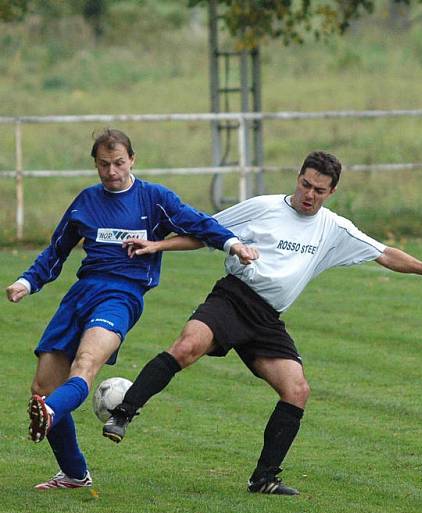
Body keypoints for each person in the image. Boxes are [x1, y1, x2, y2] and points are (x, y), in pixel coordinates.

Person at [101, 151, 422, 495]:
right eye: (305, 184)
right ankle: (123, 413)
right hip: (232, 299)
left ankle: (264, 478)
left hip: (267, 319)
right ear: (297, 177)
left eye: (319, 190)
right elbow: (207, 232)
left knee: (297, 390)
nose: (309, 195)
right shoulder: (263, 207)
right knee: (187, 347)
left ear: (331, 192)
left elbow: (385, 253)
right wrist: (158, 245)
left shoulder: (334, 229)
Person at [5, 128, 256, 491]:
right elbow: (56, 251)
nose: (111, 172)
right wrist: (26, 283)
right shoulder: (85, 202)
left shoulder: (153, 198)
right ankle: (74, 473)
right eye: (104, 164)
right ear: (95, 163)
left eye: (119, 163)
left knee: (85, 365)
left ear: (132, 160)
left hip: (121, 297)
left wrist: (233, 244)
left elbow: (198, 223)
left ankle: (51, 414)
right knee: (42, 388)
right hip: (79, 295)